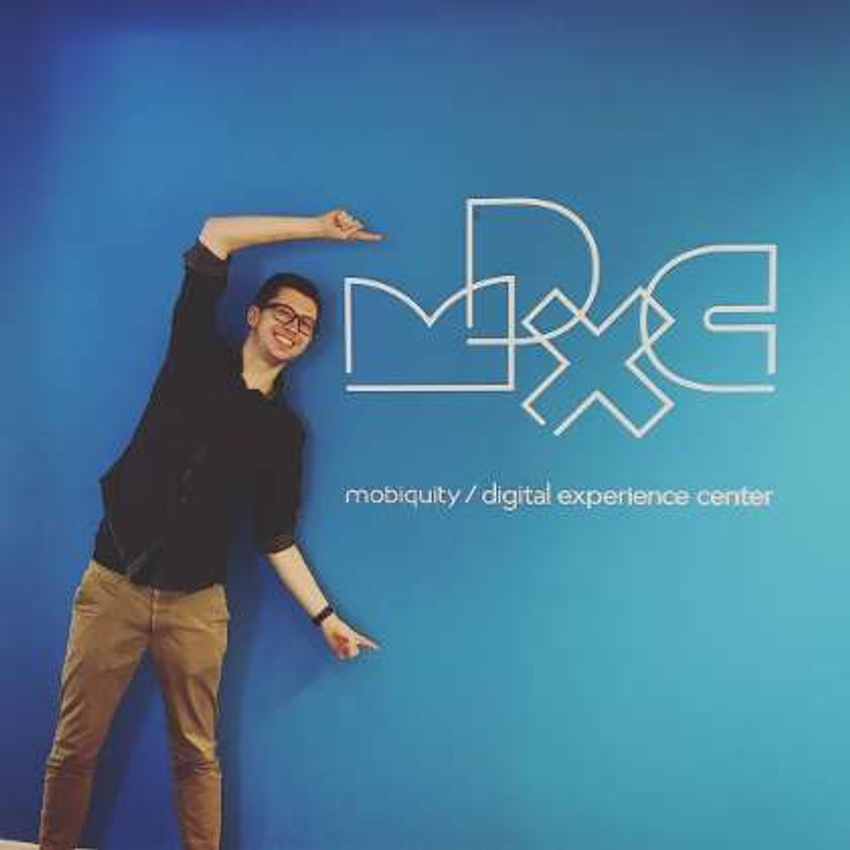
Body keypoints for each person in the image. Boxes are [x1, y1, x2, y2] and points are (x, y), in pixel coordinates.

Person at [38, 209, 383, 850]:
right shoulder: (193, 351)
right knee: (74, 747)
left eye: (305, 326)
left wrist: (325, 617)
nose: (292, 328)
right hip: (112, 586)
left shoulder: (284, 434)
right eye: (283, 313)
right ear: (252, 314)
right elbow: (217, 234)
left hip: (197, 607)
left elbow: (275, 537)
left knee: (197, 755)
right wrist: (317, 227)